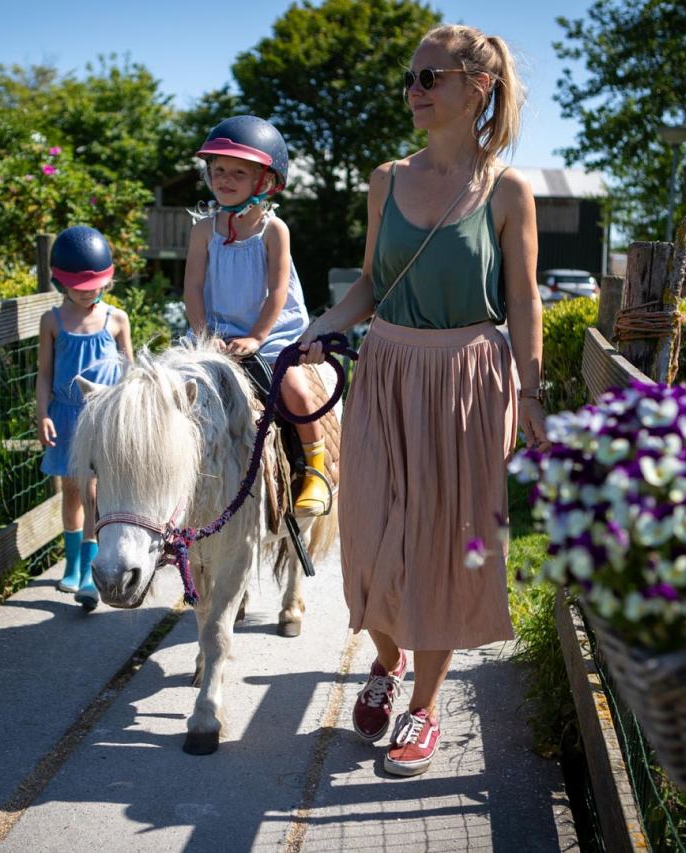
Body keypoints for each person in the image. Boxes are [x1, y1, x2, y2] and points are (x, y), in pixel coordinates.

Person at [299, 24, 548, 777]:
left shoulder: (507, 189)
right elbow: (373, 283)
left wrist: (532, 392)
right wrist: (326, 322)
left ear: (477, 88)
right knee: (368, 527)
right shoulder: (386, 178)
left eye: (429, 78)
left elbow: (523, 299)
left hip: (469, 379)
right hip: (387, 367)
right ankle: (387, 656)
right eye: (411, 77)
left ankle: (425, 707)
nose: (414, 89)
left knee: (443, 542)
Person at [183, 115, 331, 517]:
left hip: (272, 329)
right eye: (217, 171)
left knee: (295, 389)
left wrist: (257, 337)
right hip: (216, 330)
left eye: (237, 173)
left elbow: (278, 292)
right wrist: (203, 334)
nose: (224, 179)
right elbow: (193, 289)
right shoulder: (203, 230)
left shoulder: (273, 229)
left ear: (264, 182)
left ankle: (316, 468)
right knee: (177, 388)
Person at [36, 226, 134, 610]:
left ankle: (93, 566)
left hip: (103, 417)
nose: (88, 292)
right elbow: (44, 373)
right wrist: (42, 412)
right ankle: (73, 564)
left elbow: (130, 368)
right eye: (80, 286)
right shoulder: (53, 321)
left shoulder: (117, 319)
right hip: (65, 414)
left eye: (95, 285)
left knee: (95, 492)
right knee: (72, 490)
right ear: (60, 281)